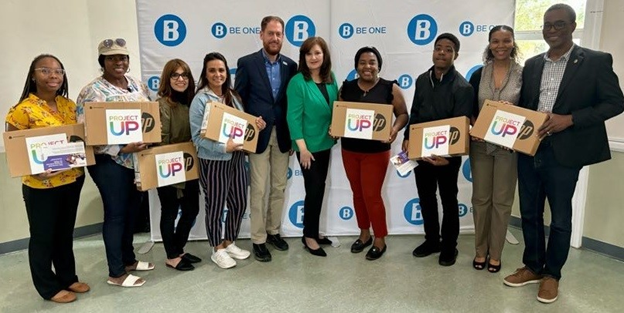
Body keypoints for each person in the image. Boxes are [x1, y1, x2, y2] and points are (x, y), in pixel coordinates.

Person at [503, 4, 624, 304]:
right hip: (530, 149)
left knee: (559, 218)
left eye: (558, 24)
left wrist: (569, 119)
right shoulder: (532, 64)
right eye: (546, 25)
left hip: (566, 153)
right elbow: (528, 106)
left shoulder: (594, 62)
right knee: (529, 212)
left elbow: (615, 103)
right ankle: (532, 266)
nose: (551, 30)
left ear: (572, 26)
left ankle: (552, 274)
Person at [5, 55, 89, 303]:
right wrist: (33, 170)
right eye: (46, 71)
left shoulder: (69, 106)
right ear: (33, 75)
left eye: (58, 71)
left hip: (72, 179)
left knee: (64, 232)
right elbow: (14, 149)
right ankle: (48, 287)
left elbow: (79, 138)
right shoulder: (22, 110)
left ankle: (67, 277)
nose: (53, 76)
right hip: (41, 184)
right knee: (43, 236)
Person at [76, 38, 154, 287]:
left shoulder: (137, 85)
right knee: (116, 214)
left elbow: (149, 116)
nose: (119, 62)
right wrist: (120, 148)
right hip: (108, 162)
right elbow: (86, 133)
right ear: (103, 62)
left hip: (136, 160)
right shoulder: (92, 92)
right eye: (112, 58)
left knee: (132, 212)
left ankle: (129, 259)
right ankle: (116, 273)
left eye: (123, 57)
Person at [401, 33, 473, 266]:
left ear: (455, 55)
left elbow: (460, 128)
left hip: (446, 159)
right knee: (426, 198)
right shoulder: (422, 79)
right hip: (421, 152)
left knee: (448, 200)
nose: (442, 52)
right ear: (433, 51)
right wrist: (407, 137)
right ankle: (432, 240)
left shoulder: (463, 87)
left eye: (448, 49)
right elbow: (415, 113)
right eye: (438, 48)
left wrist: (450, 159)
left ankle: (449, 247)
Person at [189, 52, 266, 269]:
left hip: (237, 158)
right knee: (215, 206)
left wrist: (255, 125)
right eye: (212, 70)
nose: (218, 74)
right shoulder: (200, 100)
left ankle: (229, 241)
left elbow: (242, 124)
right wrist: (224, 147)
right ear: (205, 73)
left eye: (221, 70)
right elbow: (197, 138)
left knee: (239, 202)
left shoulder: (233, 96)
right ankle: (217, 248)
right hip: (213, 160)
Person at [234, 16, 298, 262]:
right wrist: (250, 121)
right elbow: (239, 99)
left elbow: (292, 103)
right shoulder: (247, 63)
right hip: (257, 136)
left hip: (283, 135)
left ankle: (273, 232)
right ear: (261, 35)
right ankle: (258, 239)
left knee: (279, 187)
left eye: (279, 34)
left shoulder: (290, 66)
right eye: (270, 33)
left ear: (283, 37)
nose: (275, 38)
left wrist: (293, 136)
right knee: (259, 189)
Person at [339, 46, 408, 260]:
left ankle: (380, 238)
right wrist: (335, 128)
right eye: (362, 62)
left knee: (372, 195)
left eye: (372, 62)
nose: (367, 66)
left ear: (378, 66)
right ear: (356, 66)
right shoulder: (346, 87)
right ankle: (364, 234)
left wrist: (394, 130)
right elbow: (340, 115)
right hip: (349, 150)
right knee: (357, 194)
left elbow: (403, 114)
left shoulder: (390, 88)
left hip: (376, 152)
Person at [468, 25, 522, 273]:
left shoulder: (524, 74)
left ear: (513, 43)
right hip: (481, 146)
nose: (500, 45)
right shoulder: (479, 74)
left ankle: (496, 254)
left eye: (506, 41)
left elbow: (529, 110)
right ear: (489, 44)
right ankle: (480, 250)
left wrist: (510, 110)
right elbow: (470, 110)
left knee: (502, 202)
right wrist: (472, 125)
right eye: (495, 41)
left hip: (508, 148)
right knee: (480, 200)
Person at [286, 36, 338, 257]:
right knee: (314, 190)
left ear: (324, 55)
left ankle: (314, 232)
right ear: (303, 57)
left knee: (319, 189)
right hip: (307, 147)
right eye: (309, 54)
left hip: (325, 143)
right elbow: (293, 118)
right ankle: (309, 236)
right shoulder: (298, 82)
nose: (313, 57)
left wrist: (337, 127)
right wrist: (303, 149)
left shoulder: (330, 78)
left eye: (317, 53)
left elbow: (336, 106)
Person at [155, 59, 201, 271]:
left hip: (190, 164)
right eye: (175, 75)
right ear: (167, 78)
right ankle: (171, 255)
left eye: (184, 75)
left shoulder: (192, 102)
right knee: (170, 210)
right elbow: (161, 139)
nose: (181, 79)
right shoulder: (162, 104)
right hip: (167, 164)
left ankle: (179, 248)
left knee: (192, 209)